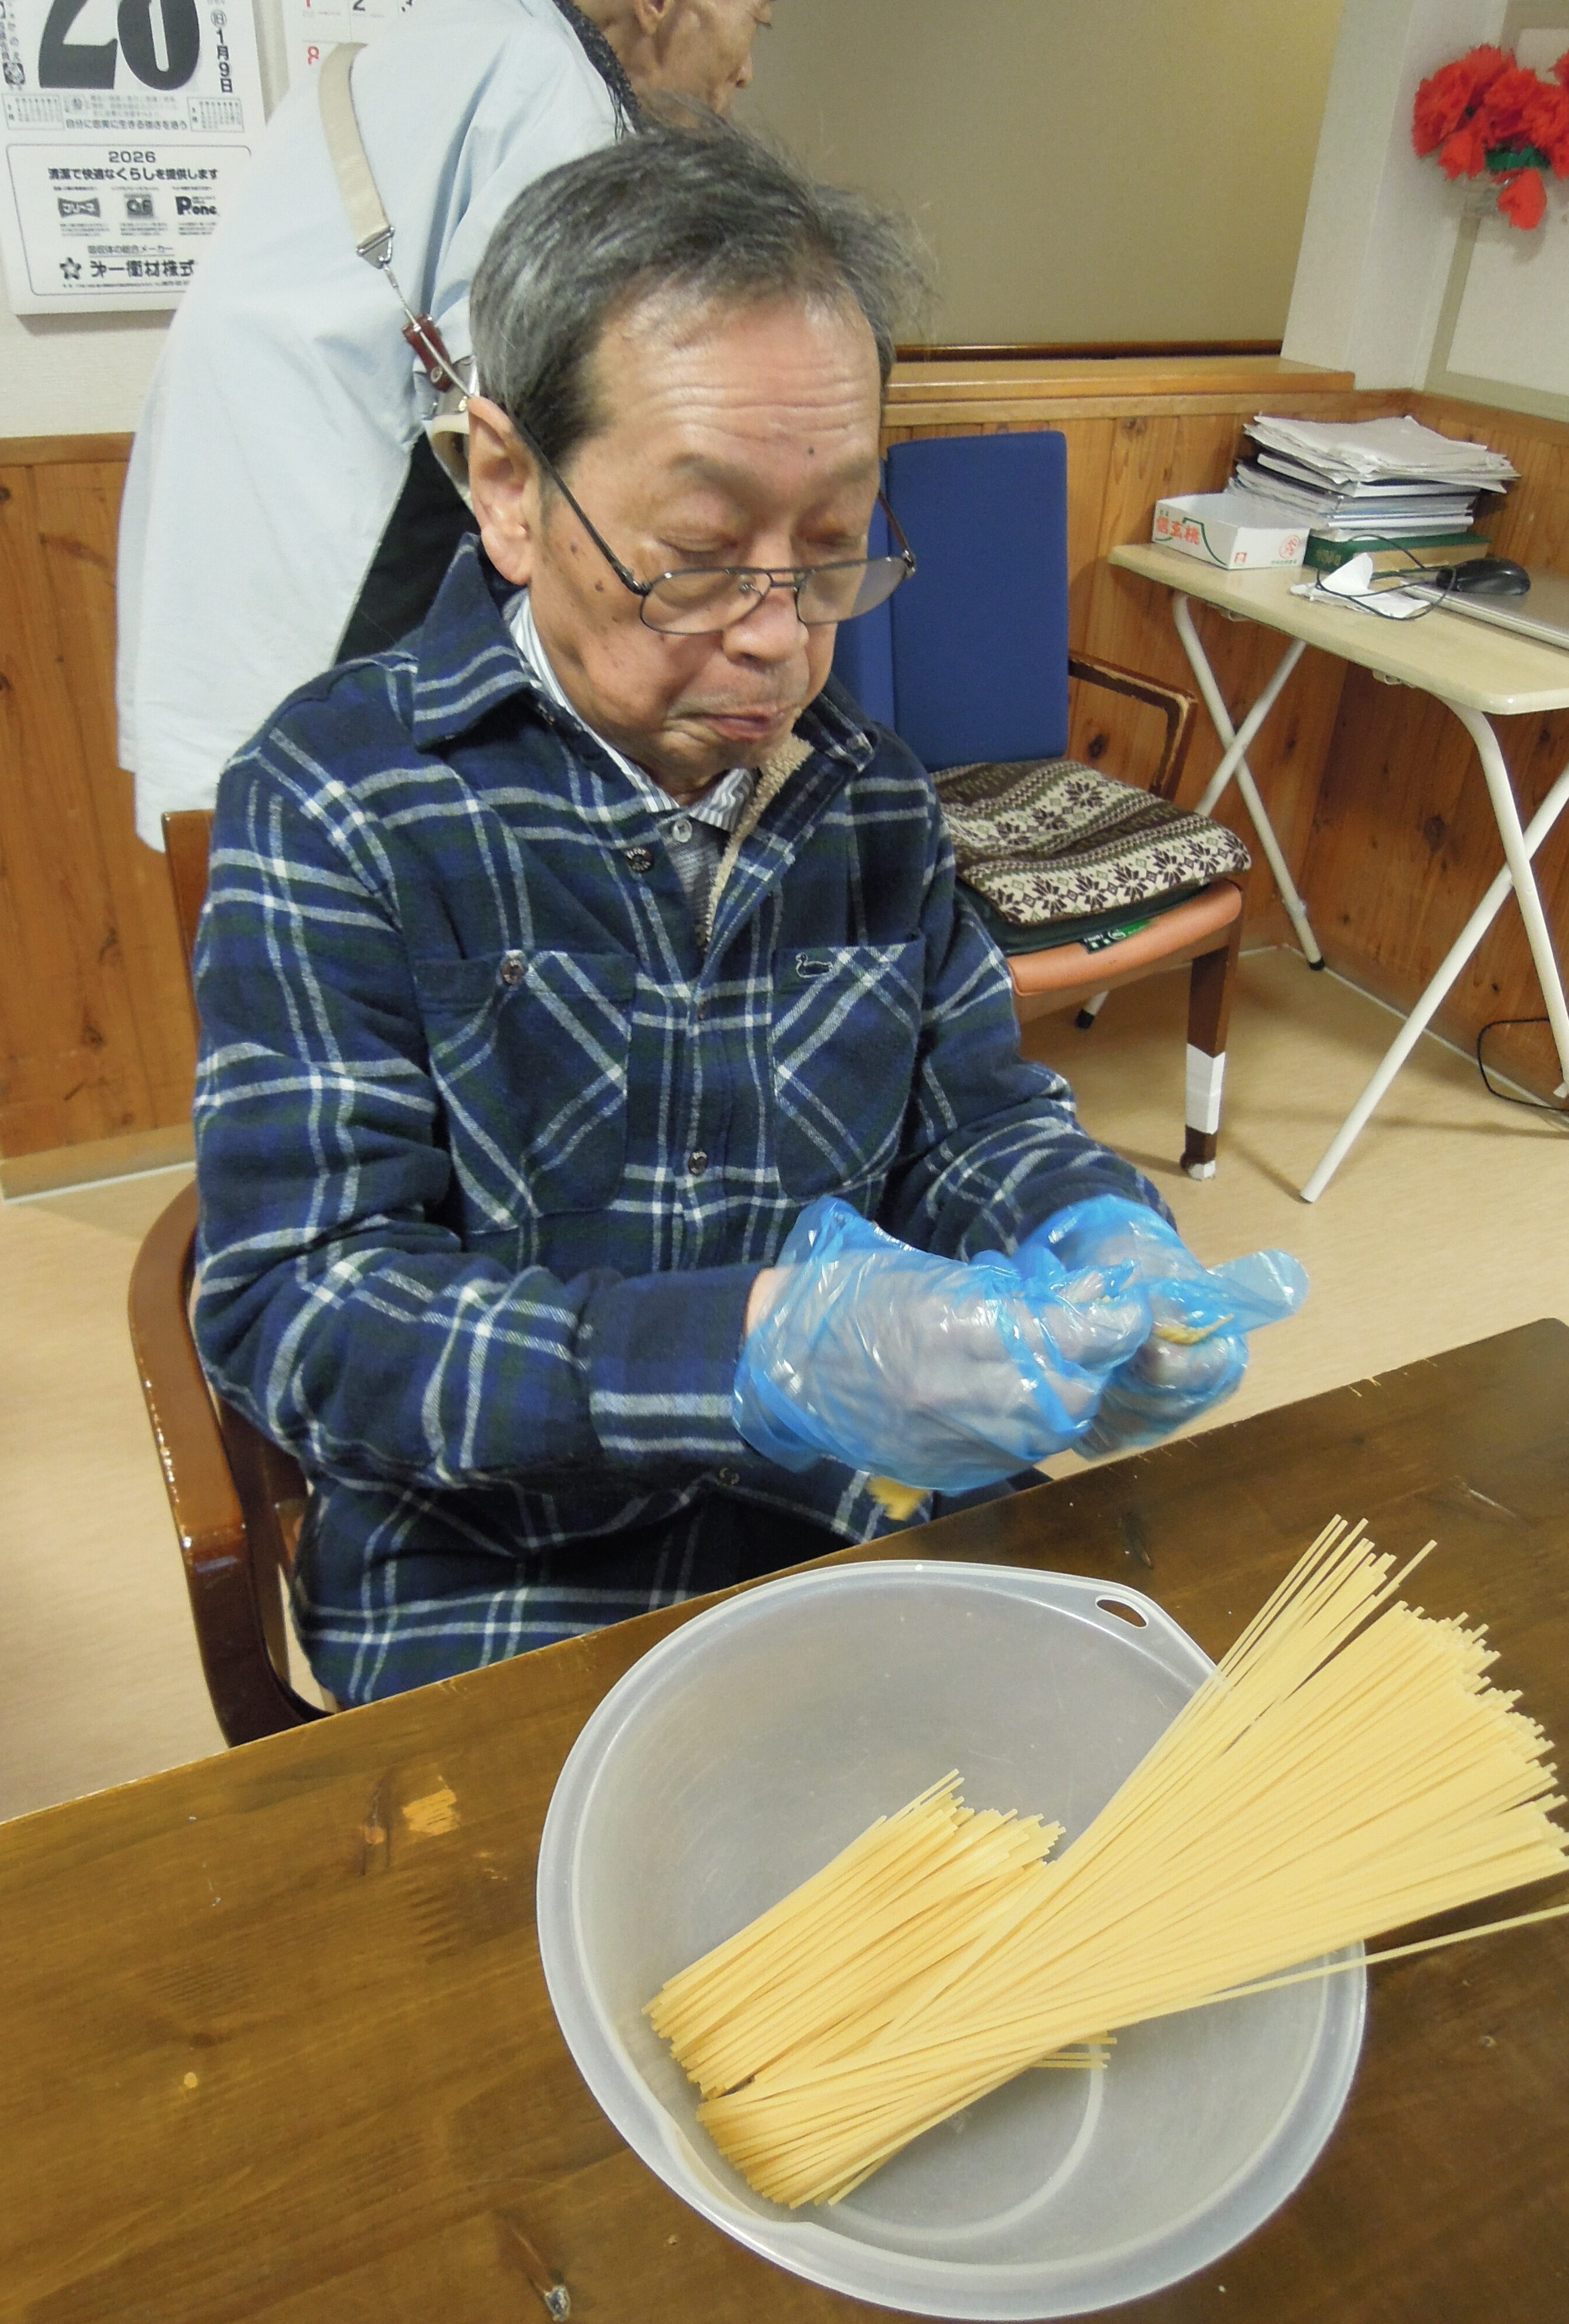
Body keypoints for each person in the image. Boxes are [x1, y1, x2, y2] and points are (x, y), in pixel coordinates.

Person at [191, 125, 1303, 1709]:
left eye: (835, 548)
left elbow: (969, 1122)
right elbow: (305, 1315)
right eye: (701, 558)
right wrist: (757, 1353)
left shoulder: (868, 798)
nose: (780, 643)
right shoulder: (337, 797)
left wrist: (1091, 1237)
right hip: (498, 1568)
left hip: (848, 1515)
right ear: (507, 486)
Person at [116, 0, 775, 848]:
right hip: (340, 613)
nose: (748, 68)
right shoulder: (544, 79)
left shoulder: (413, 48)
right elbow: (537, 417)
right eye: (758, 20)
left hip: (227, 599)